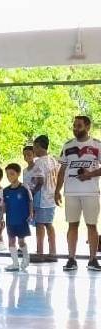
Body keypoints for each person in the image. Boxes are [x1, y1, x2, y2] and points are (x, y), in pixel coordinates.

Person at [54, 115, 101, 271]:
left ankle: (93, 259)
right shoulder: (67, 145)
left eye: (79, 126)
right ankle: (71, 259)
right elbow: (61, 170)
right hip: (71, 192)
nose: (75, 129)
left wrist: (90, 175)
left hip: (91, 192)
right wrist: (57, 190)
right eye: (74, 126)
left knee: (91, 226)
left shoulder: (97, 145)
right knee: (72, 225)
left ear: (88, 127)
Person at [30, 135, 58, 262]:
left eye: (35, 147)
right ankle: (53, 252)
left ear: (40, 147)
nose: (34, 150)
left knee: (40, 225)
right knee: (49, 225)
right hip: (51, 196)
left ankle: (40, 252)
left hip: (41, 197)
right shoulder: (53, 160)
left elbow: (40, 180)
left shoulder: (39, 162)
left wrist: (32, 191)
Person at [2, 163, 33, 272]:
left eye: (12, 174)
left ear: (18, 174)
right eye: (7, 175)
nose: (10, 177)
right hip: (10, 220)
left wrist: (31, 214)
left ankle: (26, 257)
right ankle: (15, 263)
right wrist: (1, 217)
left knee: (21, 241)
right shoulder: (5, 191)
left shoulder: (24, 188)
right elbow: (4, 206)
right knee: (11, 240)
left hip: (21, 219)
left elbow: (30, 201)